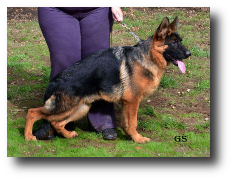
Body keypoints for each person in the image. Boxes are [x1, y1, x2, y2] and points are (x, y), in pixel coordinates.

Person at [33, 7, 124, 140]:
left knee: (99, 64)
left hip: (96, 10)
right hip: (56, 10)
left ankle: (102, 119)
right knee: (65, 62)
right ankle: (60, 118)